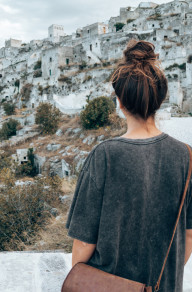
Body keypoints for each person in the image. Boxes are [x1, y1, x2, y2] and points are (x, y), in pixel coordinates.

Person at [65, 39, 192, 292]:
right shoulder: (186, 157)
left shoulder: (104, 156)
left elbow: (83, 245)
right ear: (160, 100)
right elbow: (188, 236)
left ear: (120, 102)